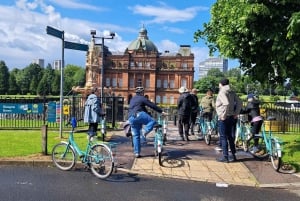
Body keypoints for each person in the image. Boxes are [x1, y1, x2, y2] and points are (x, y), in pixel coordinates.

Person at [128, 86, 165, 158]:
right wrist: (161, 111)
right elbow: (151, 105)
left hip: (131, 117)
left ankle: (137, 153)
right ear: (142, 93)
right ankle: (144, 132)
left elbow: (141, 108)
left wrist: (147, 113)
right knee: (153, 121)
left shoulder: (132, 99)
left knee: (136, 136)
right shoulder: (142, 98)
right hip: (139, 114)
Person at [215, 78, 242, 163]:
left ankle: (225, 157)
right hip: (231, 117)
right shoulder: (232, 91)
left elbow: (226, 103)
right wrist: (236, 113)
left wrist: (223, 115)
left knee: (223, 137)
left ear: (221, 84)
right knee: (230, 136)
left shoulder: (222, 92)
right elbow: (240, 102)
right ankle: (233, 155)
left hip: (224, 117)